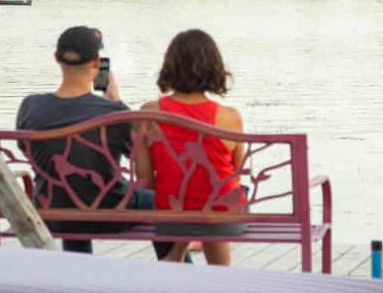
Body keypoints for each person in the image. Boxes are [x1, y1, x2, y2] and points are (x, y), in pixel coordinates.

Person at [16, 25, 171, 257]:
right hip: (110, 212)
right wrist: (116, 102)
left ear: (56, 59)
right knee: (157, 202)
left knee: (69, 188)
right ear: (97, 63)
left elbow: (28, 151)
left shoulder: (31, 106)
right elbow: (137, 154)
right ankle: (178, 266)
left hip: (52, 211)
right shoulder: (115, 112)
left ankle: (79, 269)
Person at [134, 29, 247, 266]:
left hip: (171, 217)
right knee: (222, 192)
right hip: (222, 217)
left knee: (186, 195)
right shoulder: (230, 117)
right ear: (214, 67)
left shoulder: (148, 113)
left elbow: (145, 181)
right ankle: (219, 273)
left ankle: (176, 253)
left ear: (169, 66)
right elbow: (234, 173)